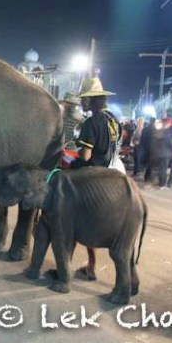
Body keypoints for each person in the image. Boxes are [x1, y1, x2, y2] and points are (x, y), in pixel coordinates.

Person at [72, 77, 120, 282]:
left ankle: (86, 265)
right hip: (112, 170)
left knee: (70, 215)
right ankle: (90, 264)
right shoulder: (113, 119)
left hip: (92, 175)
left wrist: (71, 158)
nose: (82, 102)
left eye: (85, 99)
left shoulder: (91, 122)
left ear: (92, 101)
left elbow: (86, 156)